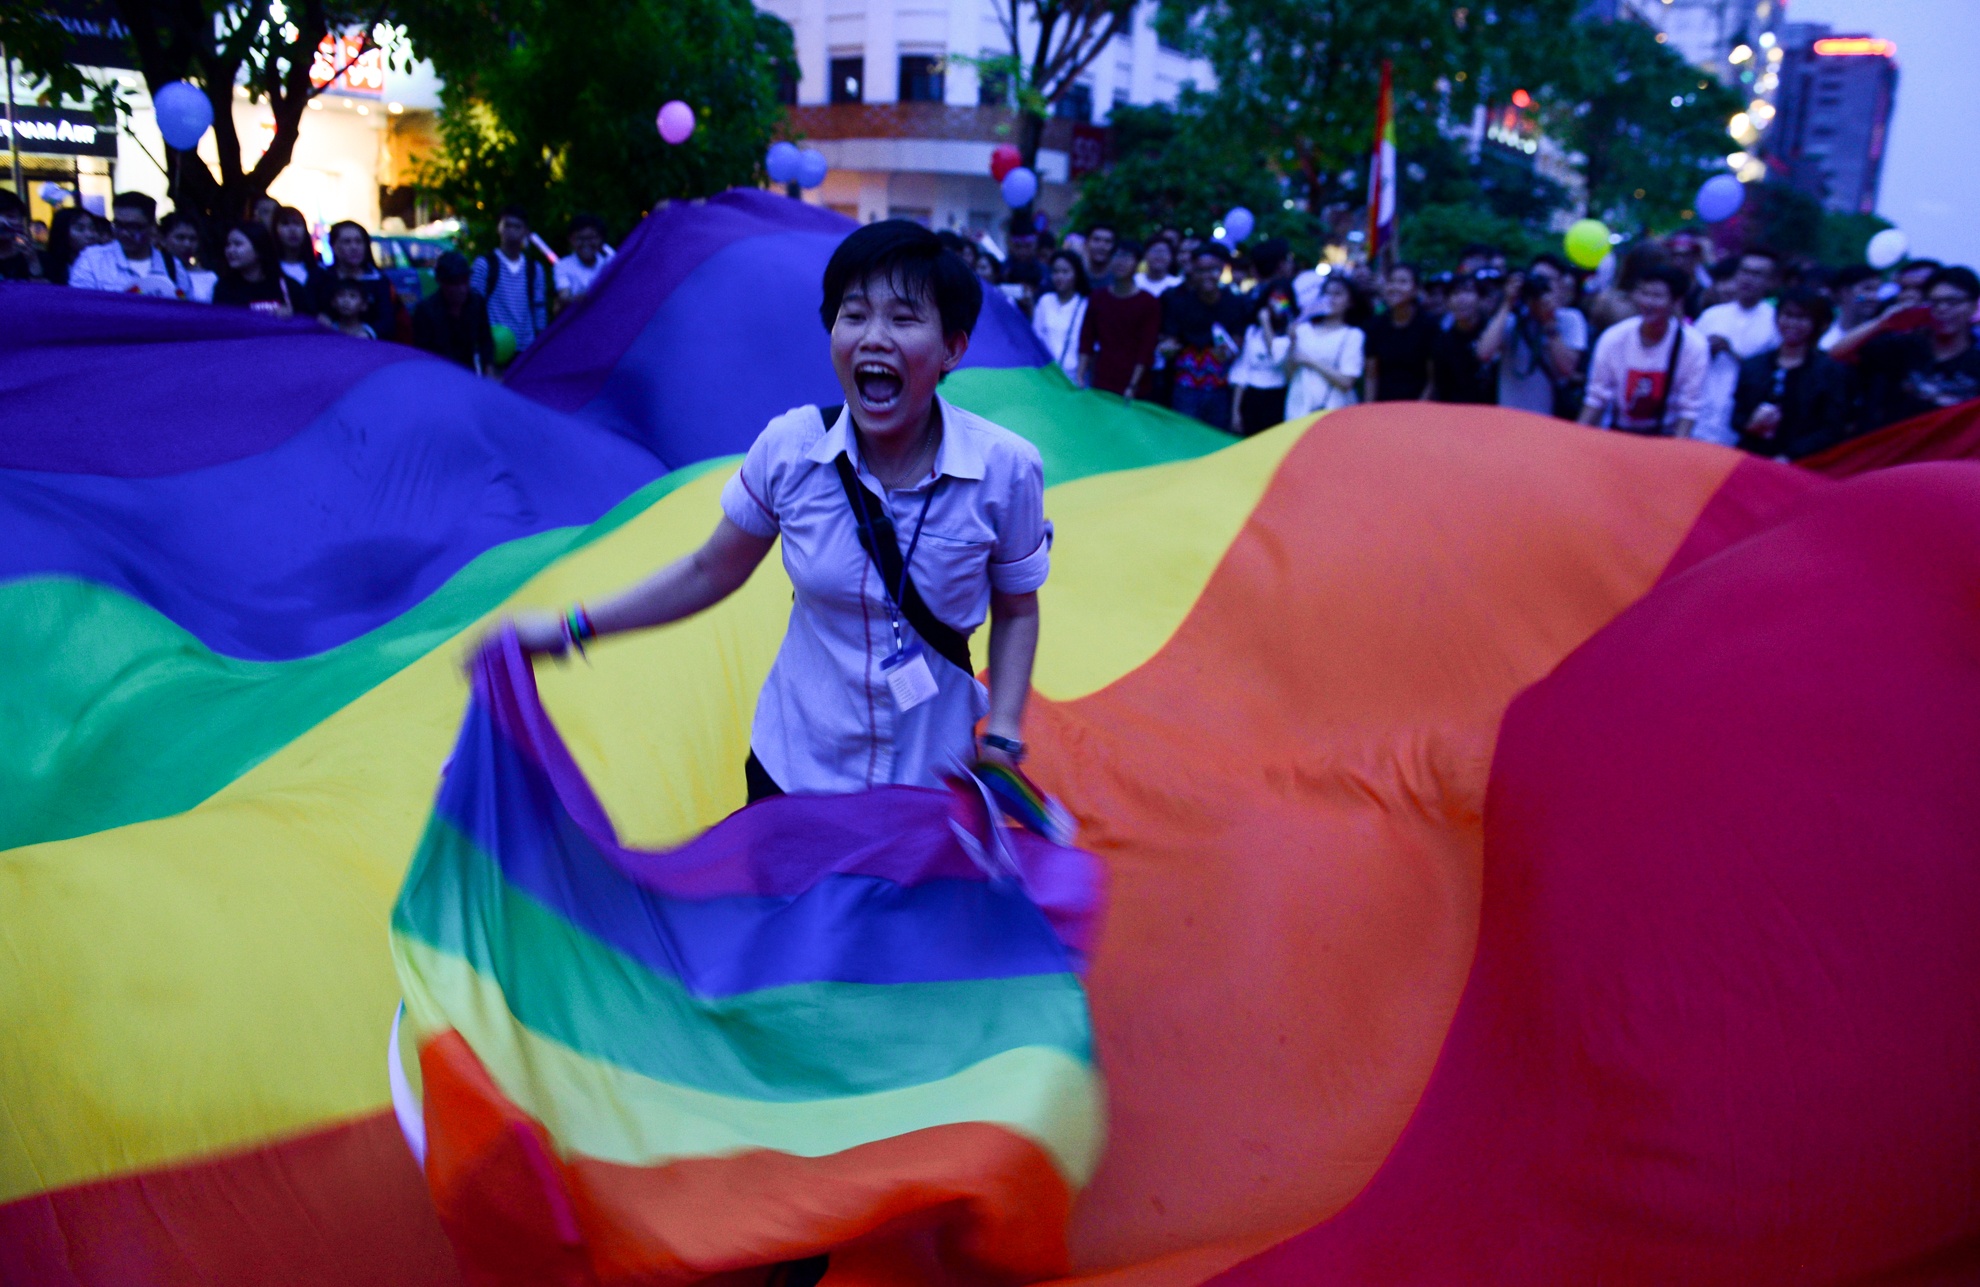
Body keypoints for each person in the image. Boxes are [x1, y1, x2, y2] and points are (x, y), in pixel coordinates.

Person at [491, 219, 1049, 801]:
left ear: (952, 348)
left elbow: (1017, 611)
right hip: (794, 776)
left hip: (930, 785)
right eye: (854, 315)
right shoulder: (790, 449)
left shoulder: (1006, 470)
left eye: (903, 319)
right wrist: (568, 630)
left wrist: (1004, 732)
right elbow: (708, 571)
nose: (873, 338)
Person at [1834, 266, 1980, 429]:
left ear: (1974, 306)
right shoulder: (1904, 347)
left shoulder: (1976, 361)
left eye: (1953, 302)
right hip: (1897, 442)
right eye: (1935, 302)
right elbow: (1837, 353)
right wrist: (1882, 323)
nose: (1943, 309)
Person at [1578, 264, 1710, 437]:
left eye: (1657, 296)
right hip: (1619, 433)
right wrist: (1578, 439)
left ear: (1676, 302)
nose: (1648, 302)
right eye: (1644, 293)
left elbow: (1689, 409)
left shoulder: (1693, 345)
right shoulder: (1614, 337)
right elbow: (1596, 397)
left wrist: (1677, 450)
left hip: (1665, 436)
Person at [1732, 288, 1853, 460]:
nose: (1792, 323)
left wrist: (1790, 455)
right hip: (1752, 457)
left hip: (1802, 462)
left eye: (1802, 318)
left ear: (1816, 323)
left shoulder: (1830, 371)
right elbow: (1737, 415)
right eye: (1787, 315)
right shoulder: (1755, 364)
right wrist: (1751, 424)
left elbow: (1832, 428)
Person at [1693, 248, 1782, 445]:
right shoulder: (1712, 315)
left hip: (1743, 418)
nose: (1748, 279)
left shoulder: (1775, 322)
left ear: (1771, 282)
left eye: (1757, 274)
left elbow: (1771, 371)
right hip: (1702, 411)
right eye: (1744, 271)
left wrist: (1732, 352)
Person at [1160, 243, 1251, 428]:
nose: (1207, 276)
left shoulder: (1235, 303)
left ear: (1222, 270)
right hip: (1186, 385)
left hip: (1221, 386)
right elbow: (1169, 339)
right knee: (1184, 433)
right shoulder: (1178, 302)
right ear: (1193, 271)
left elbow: (1238, 339)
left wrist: (1230, 351)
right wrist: (1167, 348)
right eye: (1201, 270)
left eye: (1213, 270)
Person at [1480, 270, 1581, 415]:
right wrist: (1507, 303)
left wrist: (1549, 322)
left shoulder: (1569, 318)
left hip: (1548, 418)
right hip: (1510, 415)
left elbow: (1567, 369)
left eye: (1547, 282)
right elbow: (1483, 353)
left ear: (1560, 285)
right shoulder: (1511, 320)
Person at [1077, 238, 1161, 399]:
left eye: (1127, 257)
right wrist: (1080, 376)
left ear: (1137, 263)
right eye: (1116, 256)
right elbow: (1086, 339)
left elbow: (1146, 348)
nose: (1121, 262)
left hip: (1135, 384)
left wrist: (1133, 385)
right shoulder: (1098, 298)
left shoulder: (1148, 302)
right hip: (1102, 377)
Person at [69, 192, 194, 295]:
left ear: (152, 227)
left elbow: (185, 307)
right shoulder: (92, 261)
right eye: (119, 225)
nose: (125, 233)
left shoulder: (172, 266)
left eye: (134, 227)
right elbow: (81, 304)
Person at [468, 205, 550, 353]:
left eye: (517, 226)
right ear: (498, 228)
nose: (511, 230)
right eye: (507, 225)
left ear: (526, 231)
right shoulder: (484, 264)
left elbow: (539, 307)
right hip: (493, 347)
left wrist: (541, 344)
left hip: (527, 349)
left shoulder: (535, 269)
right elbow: (473, 305)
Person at [1285, 271, 1364, 419]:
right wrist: (1292, 343)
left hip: (1332, 411)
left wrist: (1310, 361)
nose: (1330, 299)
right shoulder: (1302, 330)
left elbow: (1347, 381)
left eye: (1337, 294)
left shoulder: (1352, 335)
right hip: (1297, 408)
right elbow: (1289, 374)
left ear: (1350, 302)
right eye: (1326, 293)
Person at [1361, 263, 1438, 402]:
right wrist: (1368, 408)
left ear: (1416, 290)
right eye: (1391, 281)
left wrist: (1419, 409)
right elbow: (1371, 375)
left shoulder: (1429, 326)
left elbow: (1432, 379)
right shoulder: (1376, 325)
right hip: (1383, 404)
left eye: (1403, 282)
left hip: (1418, 405)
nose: (1395, 287)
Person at [1228, 279, 1294, 435]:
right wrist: (1235, 411)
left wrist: (1266, 323)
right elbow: (1243, 369)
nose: (1277, 303)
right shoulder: (1252, 331)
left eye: (1282, 299)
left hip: (1277, 395)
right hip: (1252, 395)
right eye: (1274, 298)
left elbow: (1277, 356)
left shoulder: (1291, 332)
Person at [415, 250, 498, 373]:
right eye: (454, 283)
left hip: (467, 373)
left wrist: (489, 366)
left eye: (464, 281)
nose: (461, 289)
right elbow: (422, 354)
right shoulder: (426, 312)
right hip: (437, 374)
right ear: (441, 282)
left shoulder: (476, 303)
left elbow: (485, 339)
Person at [316, 221, 399, 339]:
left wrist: (368, 333)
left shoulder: (378, 279)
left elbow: (387, 320)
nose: (354, 247)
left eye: (359, 241)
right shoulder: (321, 277)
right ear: (334, 247)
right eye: (347, 242)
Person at [211, 220, 301, 316]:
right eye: (228, 245)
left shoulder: (288, 287)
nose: (230, 250)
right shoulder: (224, 288)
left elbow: (308, 319)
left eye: (238, 244)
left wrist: (291, 316)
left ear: (259, 248)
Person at [1431, 274, 1495, 405]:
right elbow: (1440, 386)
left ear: (1480, 298)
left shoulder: (1494, 333)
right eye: (1455, 293)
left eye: (1468, 292)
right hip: (1455, 410)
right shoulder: (1442, 340)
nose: (1461, 299)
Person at [1031, 249, 1089, 380]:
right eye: (1055, 272)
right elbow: (1036, 338)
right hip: (1045, 375)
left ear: (1076, 274)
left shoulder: (1085, 305)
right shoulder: (1045, 301)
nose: (1059, 277)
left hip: (1073, 377)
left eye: (1065, 272)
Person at [553, 213, 613, 307]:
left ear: (601, 239)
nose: (586, 243)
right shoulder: (562, 265)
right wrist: (575, 298)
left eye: (591, 238)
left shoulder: (609, 263)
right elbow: (564, 294)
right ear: (571, 240)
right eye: (580, 238)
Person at [1820, 264, 1882, 351]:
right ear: (1845, 292)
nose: (1874, 297)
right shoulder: (1822, 334)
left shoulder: (1881, 336)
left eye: (1877, 290)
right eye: (1867, 289)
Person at [158, 212, 217, 302]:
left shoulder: (210, 278)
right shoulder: (153, 272)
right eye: (180, 238)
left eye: (193, 239)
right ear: (163, 240)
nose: (187, 244)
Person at [272, 206, 325, 295]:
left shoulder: (320, 273)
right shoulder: (268, 273)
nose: (292, 230)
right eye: (285, 223)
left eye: (297, 223)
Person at [42, 206, 98, 285]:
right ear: (62, 233)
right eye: (80, 229)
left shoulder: (103, 264)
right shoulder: (48, 267)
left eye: (92, 229)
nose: (90, 235)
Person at [0, 190, 43, 282]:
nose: (2, 222)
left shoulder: (42, 258)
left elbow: (47, 289)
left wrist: (33, 261)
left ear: (22, 221)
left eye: (11, 216)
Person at [1080, 223, 1117, 292]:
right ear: (1086, 243)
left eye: (1107, 241)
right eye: (1096, 240)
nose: (1101, 246)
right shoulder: (1075, 274)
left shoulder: (1120, 278)